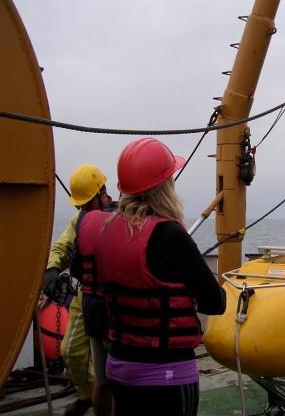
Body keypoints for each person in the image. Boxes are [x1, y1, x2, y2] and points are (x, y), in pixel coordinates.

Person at [78, 137, 226, 416]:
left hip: (120, 367)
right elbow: (214, 302)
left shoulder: (104, 231)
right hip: (166, 374)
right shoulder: (170, 235)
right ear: (164, 186)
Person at [43, 163, 113, 416]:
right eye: (78, 205)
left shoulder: (121, 216)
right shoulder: (81, 219)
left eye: (85, 203)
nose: (82, 208)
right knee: (70, 351)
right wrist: (52, 270)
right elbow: (62, 246)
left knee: (109, 365)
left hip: (115, 299)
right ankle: (87, 397)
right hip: (86, 295)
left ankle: (101, 402)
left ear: (102, 193)